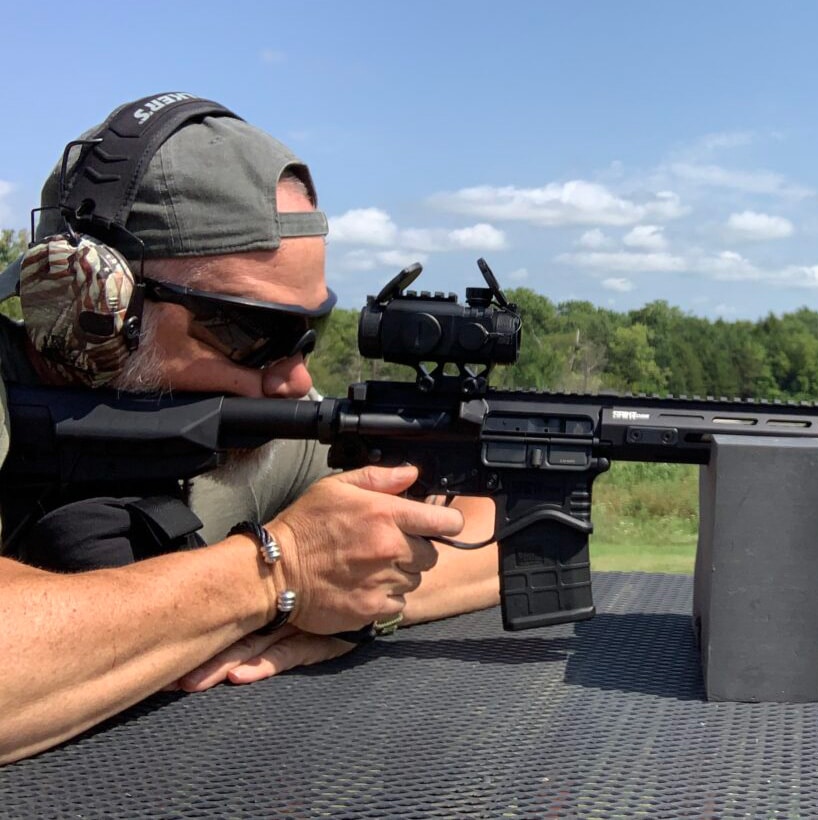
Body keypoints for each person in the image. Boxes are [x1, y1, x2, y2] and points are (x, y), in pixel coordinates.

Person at [0, 94, 500, 764]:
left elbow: (504, 534)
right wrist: (273, 575)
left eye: (308, 334)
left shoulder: (255, 432)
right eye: (253, 333)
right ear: (91, 303)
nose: (294, 380)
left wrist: (344, 598)